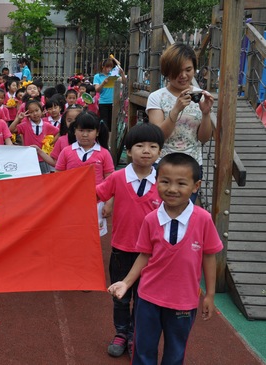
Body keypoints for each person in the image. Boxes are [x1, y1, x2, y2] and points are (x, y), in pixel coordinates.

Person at [108, 152, 223, 364]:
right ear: (156, 181)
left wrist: (210, 295)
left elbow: (209, 256)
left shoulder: (203, 220)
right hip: (148, 298)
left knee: (175, 353)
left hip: (183, 302)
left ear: (195, 186)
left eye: (181, 183)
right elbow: (145, 255)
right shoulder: (151, 219)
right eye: (165, 182)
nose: (171, 189)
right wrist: (126, 282)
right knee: (143, 351)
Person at [95, 123, 164, 358]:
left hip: (153, 255)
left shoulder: (164, 182)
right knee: (121, 295)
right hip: (122, 250)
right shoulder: (117, 177)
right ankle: (121, 333)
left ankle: (136, 334)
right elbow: (96, 193)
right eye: (139, 145)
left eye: (153, 146)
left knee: (145, 299)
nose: (146, 150)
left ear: (160, 152)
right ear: (128, 150)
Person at [146, 43, 214, 203]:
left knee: (185, 216)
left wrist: (206, 113)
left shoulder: (201, 96)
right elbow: (157, 137)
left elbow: (203, 138)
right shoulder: (157, 97)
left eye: (188, 70)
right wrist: (175, 110)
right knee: (160, 213)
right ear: (167, 72)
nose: (183, 75)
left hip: (192, 165)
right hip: (163, 164)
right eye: (177, 71)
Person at [55, 111, 114, 235]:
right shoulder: (66, 152)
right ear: (75, 131)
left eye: (89, 131)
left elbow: (110, 180)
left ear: (97, 132)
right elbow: (58, 176)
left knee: (94, 236)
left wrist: (109, 203)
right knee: (72, 234)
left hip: (96, 204)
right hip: (70, 202)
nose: (85, 134)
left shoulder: (104, 153)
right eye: (81, 130)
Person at [10, 99, 59, 174]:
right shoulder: (25, 125)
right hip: (29, 159)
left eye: (37, 110)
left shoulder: (46, 125)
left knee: (44, 179)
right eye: (31, 112)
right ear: (27, 114)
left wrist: (50, 143)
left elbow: (59, 132)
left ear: (42, 111)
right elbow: (11, 130)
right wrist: (18, 119)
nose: (35, 114)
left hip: (43, 159)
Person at [93, 58, 127, 132]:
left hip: (114, 102)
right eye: (107, 67)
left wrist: (122, 73)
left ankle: (111, 141)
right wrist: (103, 83)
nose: (108, 69)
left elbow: (124, 82)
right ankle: (105, 139)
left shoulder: (113, 75)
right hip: (103, 102)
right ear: (103, 66)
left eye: (110, 67)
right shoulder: (97, 76)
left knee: (113, 123)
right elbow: (97, 89)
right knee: (104, 124)